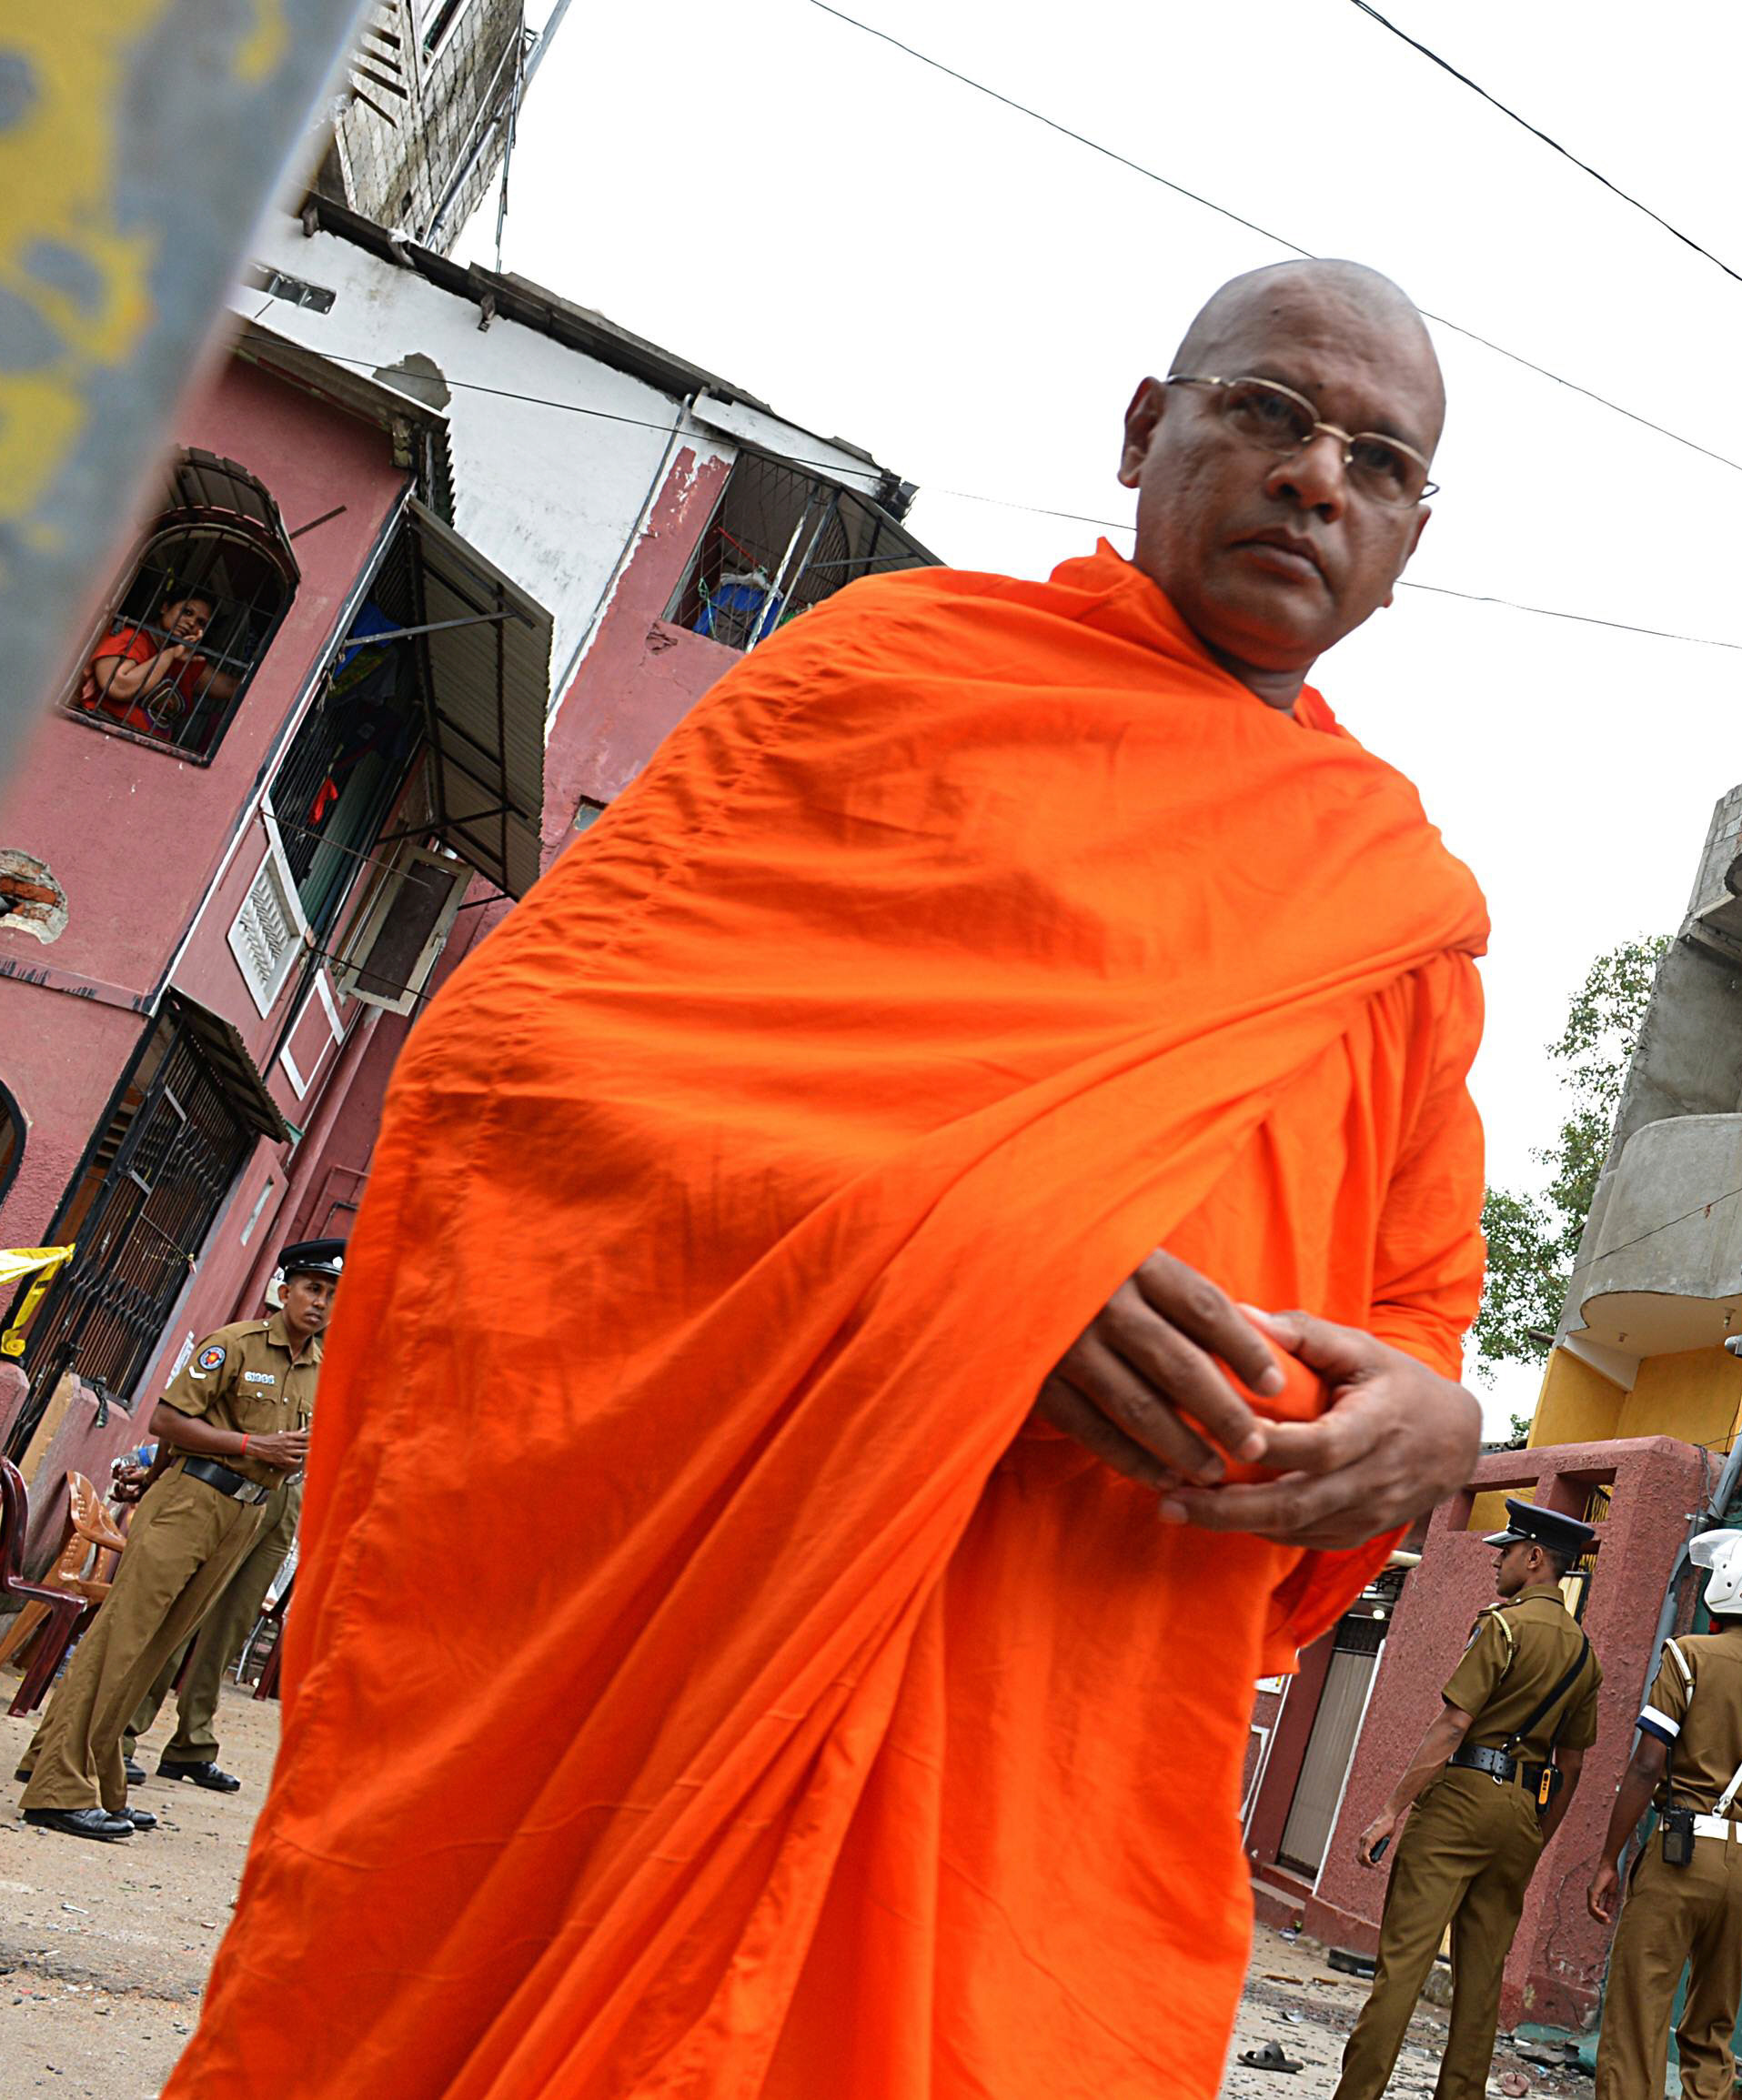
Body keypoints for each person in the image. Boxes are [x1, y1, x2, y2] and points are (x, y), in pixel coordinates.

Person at [165, 260, 1488, 2100]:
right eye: (1267, 411)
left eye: (1378, 458)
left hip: (1075, 1722)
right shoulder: (882, 682)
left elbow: (1416, 1298)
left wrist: (1430, 1421)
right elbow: (518, 1074)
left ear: (1414, 532)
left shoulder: (1394, 920)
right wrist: (972, 1267)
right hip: (713, 1635)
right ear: (1143, 427)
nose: (1316, 477)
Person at [15, 1239, 335, 1840]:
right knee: (122, 1638)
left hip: (245, 1514)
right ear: (285, 1290)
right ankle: (57, 1789)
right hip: (192, 1500)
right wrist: (247, 1447)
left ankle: (83, 1772)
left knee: (157, 1647)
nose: (321, 1303)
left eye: (332, 1294)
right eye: (313, 1288)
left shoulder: (320, 1370)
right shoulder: (234, 1345)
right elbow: (166, 1420)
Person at [1334, 1499, 1603, 2100]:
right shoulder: (1584, 1653)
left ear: (1534, 1557)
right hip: (1520, 1814)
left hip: (1459, 1799)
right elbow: (1573, 1763)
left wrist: (1390, 1810)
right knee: (1481, 1983)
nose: (1497, 1561)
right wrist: (1536, 1833)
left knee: (1403, 1966)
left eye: (1506, 1550)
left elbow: (1454, 1724)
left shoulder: (1503, 1625)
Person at [1585, 1530, 1742, 2100]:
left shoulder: (1687, 1656)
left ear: (1731, 1586)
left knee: (1640, 2009)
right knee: (1713, 2025)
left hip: (1680, 1853)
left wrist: (1609, 1857)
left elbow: (1645, 1767)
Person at [122, 1417, 302, 1793]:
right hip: (237, 1478)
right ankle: (123, 1732)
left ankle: (192, 1743)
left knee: (233, 1623)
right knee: (185, 1614)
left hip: (291, 1491)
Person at [76, 590, 242, 740]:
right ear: (165, 607)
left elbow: (231, 687)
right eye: (187, 612)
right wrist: (169, 655)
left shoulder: (186, 660)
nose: (191, 623)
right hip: (100, 733)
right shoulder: (132, 638)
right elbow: (118, 686)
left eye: (201, 623)